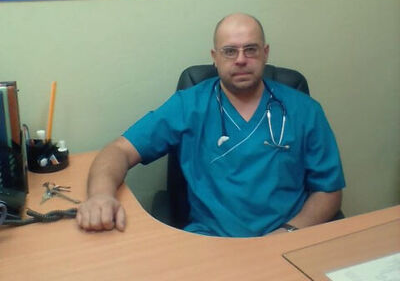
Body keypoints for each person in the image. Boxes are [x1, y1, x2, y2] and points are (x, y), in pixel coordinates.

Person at [77, 13, 345, 236]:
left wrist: (288, 232)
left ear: (265, 53)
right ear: (215, 57)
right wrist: (100, 195)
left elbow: (329, 191)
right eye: (230, 51)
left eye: (250, 49)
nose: (241, 59)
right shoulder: (188, 105)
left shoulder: (305, 110)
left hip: (285, 240)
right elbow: (119, 150)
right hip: (210, 242)